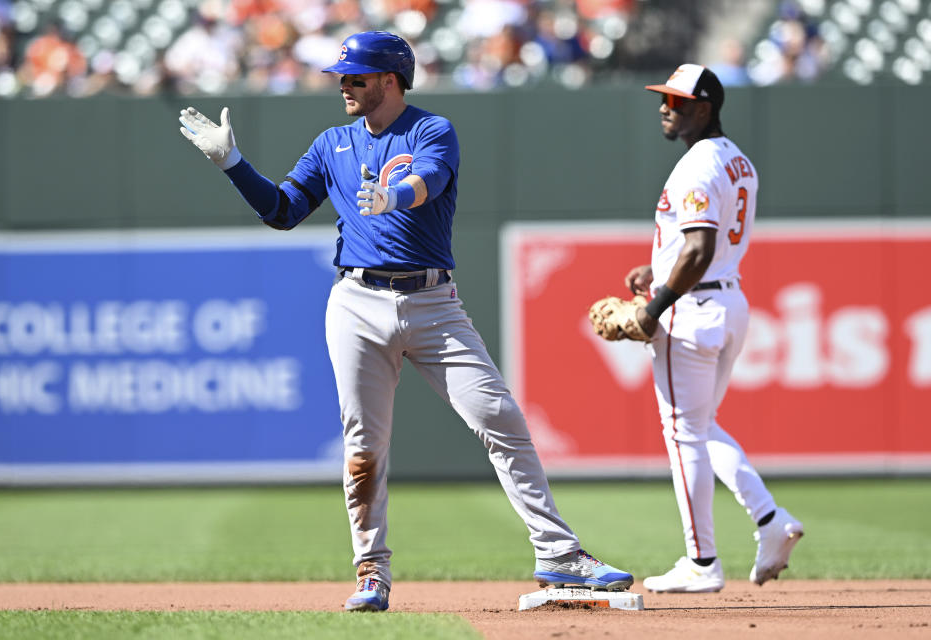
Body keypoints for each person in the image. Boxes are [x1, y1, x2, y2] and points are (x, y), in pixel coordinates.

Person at [177, 30, 633, 612]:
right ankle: (371, 572)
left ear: (389, 81)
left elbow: (429, 180)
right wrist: (234, 164)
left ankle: (559, 556)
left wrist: (393, 197)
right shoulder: (331, 143)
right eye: (342, 76)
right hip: (356, 303)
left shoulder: (429, 129)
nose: (344, 85)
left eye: (356, 76)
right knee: (364, 445)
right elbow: (283, 212)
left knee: (498, 414)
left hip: (433, 302)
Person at [623, 64, 804, 593]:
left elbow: (699, 249)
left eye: (677, 102)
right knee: (701, 428)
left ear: (704, 108)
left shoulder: (695, 167)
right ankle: (771, 522)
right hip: (730, 303)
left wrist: (655, 304)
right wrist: (656, 268)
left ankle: (701, 561)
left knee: (682, 435)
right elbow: (706, 248)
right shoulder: (738, 160)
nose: (665, 107)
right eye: (665, 99)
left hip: (693, 312)